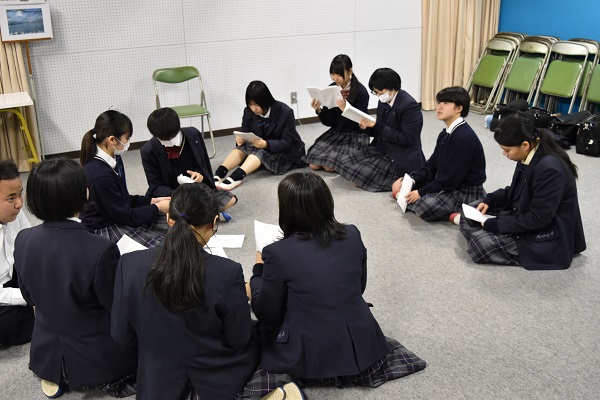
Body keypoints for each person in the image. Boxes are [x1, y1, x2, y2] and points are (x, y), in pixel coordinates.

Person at [246, 172, 426, 397]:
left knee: (251, 331)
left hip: (310, 354)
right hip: (362, 343)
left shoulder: (277, 253)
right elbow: (359, 288)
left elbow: (266, 313)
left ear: (287, 209)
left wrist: (258, 271)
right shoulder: (352, 233)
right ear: (326, 202)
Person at [112, 183, 258, 400]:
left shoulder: (128, 264)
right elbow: (238, 339)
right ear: (214, 222)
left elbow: (122, 336)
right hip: (215, 378)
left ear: (169, 219)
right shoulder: (227, 272)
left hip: (156, 382)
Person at [14, 158, 137, 398]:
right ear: (83, 193)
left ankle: (57, 374)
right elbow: (115, 309)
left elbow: (29, 297)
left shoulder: (24, 239)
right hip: (96, 359)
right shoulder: (100, 249)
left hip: (45, 353)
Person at [459, 114, 586, 270]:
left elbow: (538, 219)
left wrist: (496, 224)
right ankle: (481, 229)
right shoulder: (529, 155)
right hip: (523, 213)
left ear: (525, 145)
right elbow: (516, 190)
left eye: (507, 150)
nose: (504, 154)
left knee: (481, 245)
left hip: (547, 233)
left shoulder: (549, 169)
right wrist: (490, 199)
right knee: (472, 208)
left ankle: (481, 231)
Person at [394, 86, 486, 223]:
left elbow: (451, 179)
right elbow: (432, 164)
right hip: (447, 183)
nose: (439, 107)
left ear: (459, 108)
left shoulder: (463, 138)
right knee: (400, 186)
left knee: (425, 207)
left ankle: (465, 213)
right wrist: (414, 179)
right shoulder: (446, 133)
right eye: (439, 103)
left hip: (464, 191)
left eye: (446, 103)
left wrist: (421, 192)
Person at [79, 110, 170, 248]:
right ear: (112, 140)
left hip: (119, 215)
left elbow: (122, 199)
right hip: (105, 228)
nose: (128, 143)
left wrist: (152, 201)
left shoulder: (114, 159)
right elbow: (126, 216)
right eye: (126, 138)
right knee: (165, 248)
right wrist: (156, 207)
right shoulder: (99, 175)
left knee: (176, 225)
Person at [337, 68, 426, 192]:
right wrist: (367, 127)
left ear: (392, 87)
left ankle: (399, 179)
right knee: (344, 163)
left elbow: (407, 139)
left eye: (380, 91)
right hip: (382, 146)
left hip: (400, 153)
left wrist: (376, 126)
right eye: (375, 92)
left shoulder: (409, 106)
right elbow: (379, 129)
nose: (378, 95)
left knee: (359, 177)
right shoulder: (384, 101)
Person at [141, 107, 236, 221]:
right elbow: (156, 187)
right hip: (171, 195)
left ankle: (192, 217)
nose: (170, 141)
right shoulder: (148, 150)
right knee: (158, 210)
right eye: (163, 139)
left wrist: (199, 175)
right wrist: (181, 194)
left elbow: (203, 166)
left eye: (173, 137)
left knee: (230, 199)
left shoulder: (193, 135)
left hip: (196, 190)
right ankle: (205, 215)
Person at [214, 81, 306, 190]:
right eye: (250, 104)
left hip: (284, 151)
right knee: (242, 147)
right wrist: (240, 139)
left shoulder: (285, 112)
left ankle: (237, 176)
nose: (253, 109)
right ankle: (220, 173)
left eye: (257, 104)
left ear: (266, 100)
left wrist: (266, 144)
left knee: (259, 151)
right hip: (259, 145)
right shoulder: (248, 111)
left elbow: (287, 142)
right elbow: (245, 131)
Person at [304, 54, 370, 172]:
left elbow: (361, 124)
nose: (335, 78)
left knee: (329, 167)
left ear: (350, 71)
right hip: (337, 131)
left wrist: (346, 110)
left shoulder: (361, 92)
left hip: (354, 134)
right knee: (313, 164)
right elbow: (330, 122)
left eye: (339, 74)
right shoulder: (332, 89)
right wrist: (319, 110)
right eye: (333, 74)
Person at [0, 160, 33, 346]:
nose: (20, 204)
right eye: (11, 198)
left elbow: (28, 246)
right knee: (7, 324)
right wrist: (29, 297)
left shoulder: (15, 212)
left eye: (20, 194)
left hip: (12, 273)